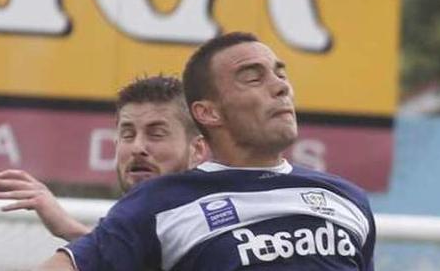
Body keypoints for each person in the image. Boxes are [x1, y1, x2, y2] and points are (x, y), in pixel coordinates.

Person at [39, 32, 376, 270]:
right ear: (208, 113)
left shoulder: (347, 199)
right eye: (252, 78)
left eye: (280, 74)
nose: (281, 86)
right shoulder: (159, 204)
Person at [0, 75, 208, 241]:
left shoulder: (217, 227)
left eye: (156, 134)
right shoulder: (127, 227)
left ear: (197, 150)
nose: (137, 147)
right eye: (127, 134)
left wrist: (71, 230)